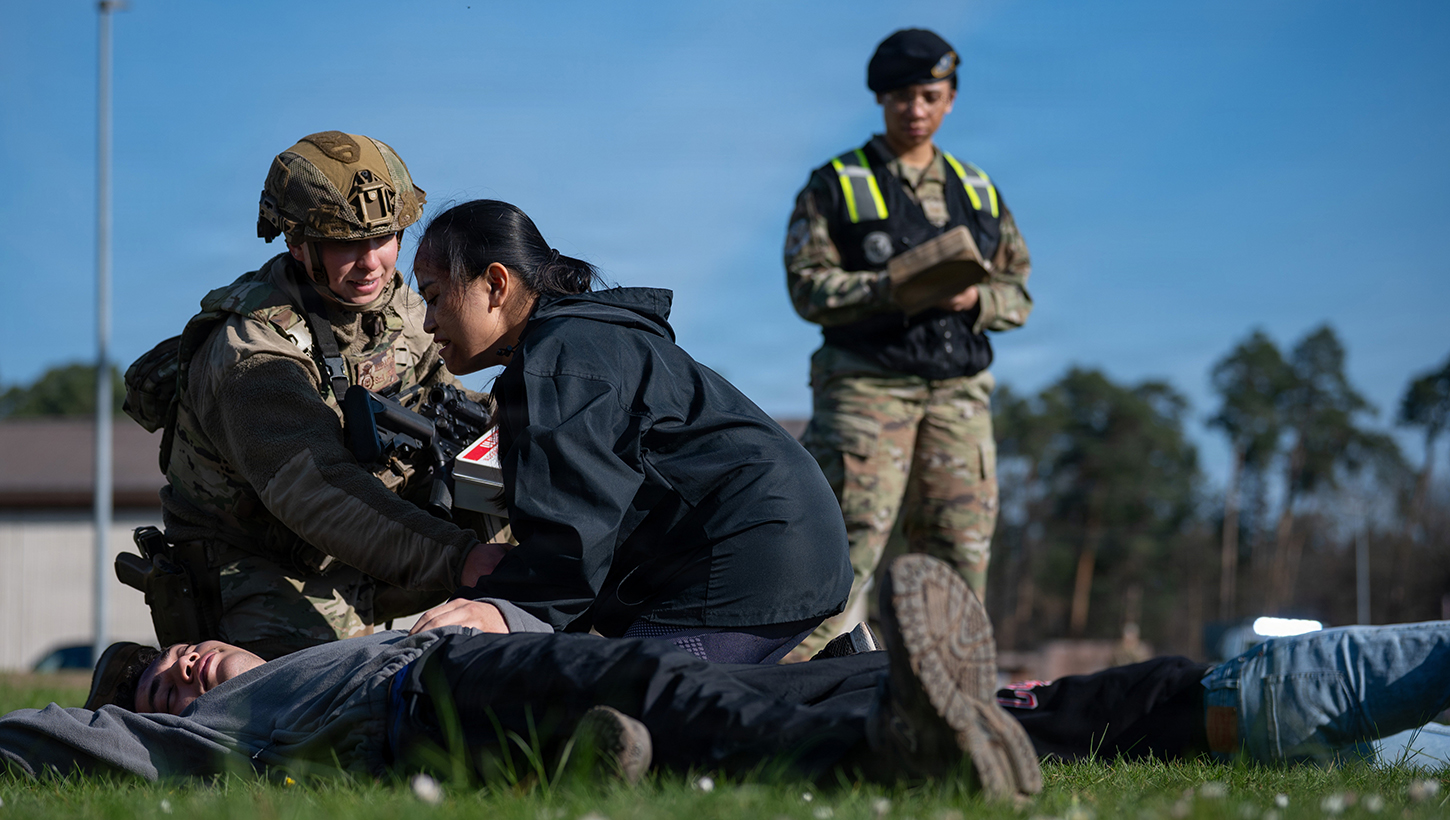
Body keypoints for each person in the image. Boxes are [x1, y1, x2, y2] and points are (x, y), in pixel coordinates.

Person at [0, 556, 1042, 801]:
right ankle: (890, 747)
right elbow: (51, 737)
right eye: (150, 688)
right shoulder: (219, 731)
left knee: (784, 686)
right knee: (663, 688)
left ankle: (994, 716)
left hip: (479, 659)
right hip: (437, 689)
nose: (173, 668)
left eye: (170, 650)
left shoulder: (314, 644)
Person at [405, 200, 854, 664]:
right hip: (783, 542)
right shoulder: (582, 341)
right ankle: (851, 685)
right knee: (687, 706)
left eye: (434, 295)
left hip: (750, 555)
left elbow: (574, 524)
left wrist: (503, 606)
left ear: (495, 284)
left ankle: (867, 694)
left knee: (631, 704)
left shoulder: (560, 358)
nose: (427, 321)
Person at [134, 132, 505, 659]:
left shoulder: (398, 300)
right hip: (260, 563)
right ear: (296, 242)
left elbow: (445, 398)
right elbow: (314, 487)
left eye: (384, 237)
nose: (371, 262)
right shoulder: (251, 349)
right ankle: (133, 684)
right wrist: (461, 559)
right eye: (344, 242)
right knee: (310, 712)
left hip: (366, 543)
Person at [784, 28, 1034, 654]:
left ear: (950, 99)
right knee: (840, 549)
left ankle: (949, 712)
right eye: (901, 97)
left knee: (958, 555)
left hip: (959, 400)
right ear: (881, 100)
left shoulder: (978, 190)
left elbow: (1019, 294)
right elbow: (807, 287)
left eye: (929, 95)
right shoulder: (835, 182)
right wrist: (892, 287)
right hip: (868, 391)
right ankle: (779, 700)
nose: (915, 110)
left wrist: (973, 298)